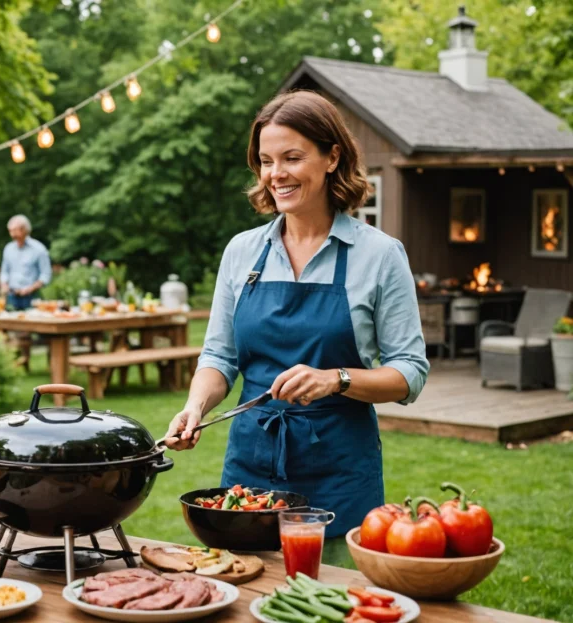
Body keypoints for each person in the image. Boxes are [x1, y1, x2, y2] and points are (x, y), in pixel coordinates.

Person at [163, 91, 429, 538]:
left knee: (331, 602)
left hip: (341, 474)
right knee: (247, 598)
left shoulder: (380, 255)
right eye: (266, 161)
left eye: (291, 157)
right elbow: (220, 357)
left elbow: (411, 372)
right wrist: (194, 407)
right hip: (250, 470)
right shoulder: (242, 252)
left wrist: (336, 379)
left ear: (332, 157)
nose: (276, 174)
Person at [0, 215, 52, 311]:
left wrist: (30, 289)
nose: (12, 234)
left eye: (15, 230)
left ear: (24, 230)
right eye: (10, 231)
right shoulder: (8, 249)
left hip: (31, 297)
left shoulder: (39, 249)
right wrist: (4, 285)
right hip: (12, 297)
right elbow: (4, 271)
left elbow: (45, 275)